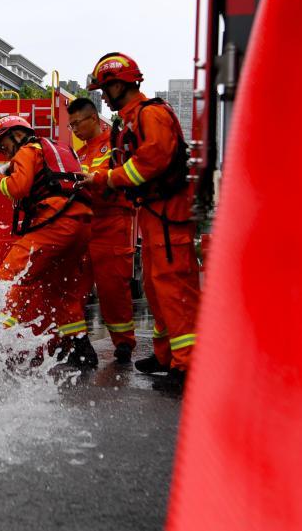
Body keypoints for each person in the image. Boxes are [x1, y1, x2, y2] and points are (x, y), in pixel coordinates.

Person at [86, 52, 199, 392]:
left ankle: (188, 366)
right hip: (154, 214)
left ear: (120, 84)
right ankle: (167, 357)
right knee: (155, 285)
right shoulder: (132, 120)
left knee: (174, 288)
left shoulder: (151, 115)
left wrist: (110, 179)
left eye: (105, 89)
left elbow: (153, 160)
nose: (103, 96)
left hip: (169, 216)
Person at [0, 115, 98, 368]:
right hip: (81, 225)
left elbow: (17, 188)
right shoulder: (58, 149)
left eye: (4, 146)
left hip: (55, 223)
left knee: (11, 278)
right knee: (62, 291)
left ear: (16, 135)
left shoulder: (27, 150)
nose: (5, 154)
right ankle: (83, 350)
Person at [67, 97, 138, 363]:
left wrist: (95, 181)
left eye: (77, 123)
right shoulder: (80, 154)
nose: (73, 129)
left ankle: (123, 345)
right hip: (84, 227)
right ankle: (77, 344)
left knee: (113, 290)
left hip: (112, 223)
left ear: (93, 119)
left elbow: (120, 177)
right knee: (72, 289)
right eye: (70, 125)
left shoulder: (114, 145)